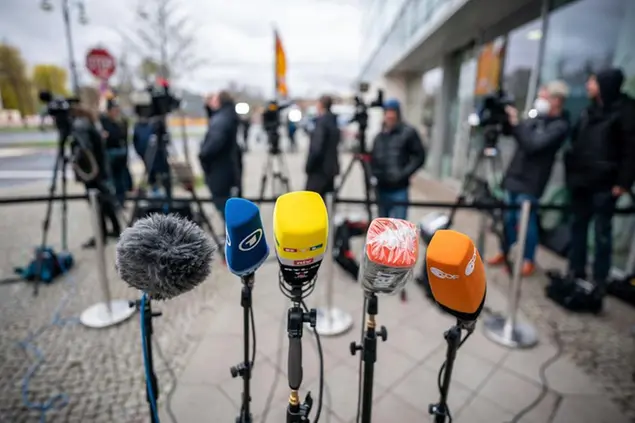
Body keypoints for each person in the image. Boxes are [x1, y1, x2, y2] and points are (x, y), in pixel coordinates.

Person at [488, 81, 571, 277]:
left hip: (532, 182)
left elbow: (533, 144)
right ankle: (504, 250)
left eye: (544, 96)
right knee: (508, 219)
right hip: (514, 176)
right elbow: (516, 133)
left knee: (526, 221)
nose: (540, 100)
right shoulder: (536, 118)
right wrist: (508, 119)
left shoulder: (559, 126)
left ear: (557, 100)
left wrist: (517, 124)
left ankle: (528, 259)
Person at [565, 68, 635, 296]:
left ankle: (600, 279)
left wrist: (623, 182)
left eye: (593, 81)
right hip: (582, 181)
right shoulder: (589, 110)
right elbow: (577, 141)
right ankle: (576, 271)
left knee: (602, 232)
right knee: (578, 227)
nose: (588, 85)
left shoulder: (625, 111)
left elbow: (630, 150)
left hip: (606, 183)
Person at [70, 105, 122, 248]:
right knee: (105, 202)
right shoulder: (91, 124)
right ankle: (116, 229)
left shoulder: (81, 126)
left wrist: (75, 159)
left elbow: (85, 149)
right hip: (100, 170)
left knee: (96, 204)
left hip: (92, 172)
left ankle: (102, 235)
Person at [370, 98, 426, 219]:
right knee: (382, 228)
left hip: (399, 189)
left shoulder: (408, 132)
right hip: (381, 188)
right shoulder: (379, 137)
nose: (390, 116)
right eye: (387, 112)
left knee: (400, 228)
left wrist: (403, 174)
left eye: (392, 112)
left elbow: (419, 156)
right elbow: (373, 158)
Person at [199, 91, 241, 221]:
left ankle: (231, 234)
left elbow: (214, 144)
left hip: (220, 170)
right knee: (229, 203)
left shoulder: (222, 119)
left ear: (219, 101)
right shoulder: (227, 115)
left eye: (213, 99)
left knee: (224, 204)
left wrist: (203, 155)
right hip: (228, 168)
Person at [305, 95, 341, 200]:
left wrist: (309, 166)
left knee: (312, 202)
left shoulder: (322, 123)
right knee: (322, 202)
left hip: (319, 170)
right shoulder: (333, 122)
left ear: (320, 105)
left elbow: (317, 148)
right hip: (330, 169)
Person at [100, 99, 131, 206]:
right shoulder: (104, 121)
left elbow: (122, 137)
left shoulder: (121, 122)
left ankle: (121, 201)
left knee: (120, 179)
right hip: (110, 152)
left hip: (120, 153)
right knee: (110, 179)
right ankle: (112, 201)